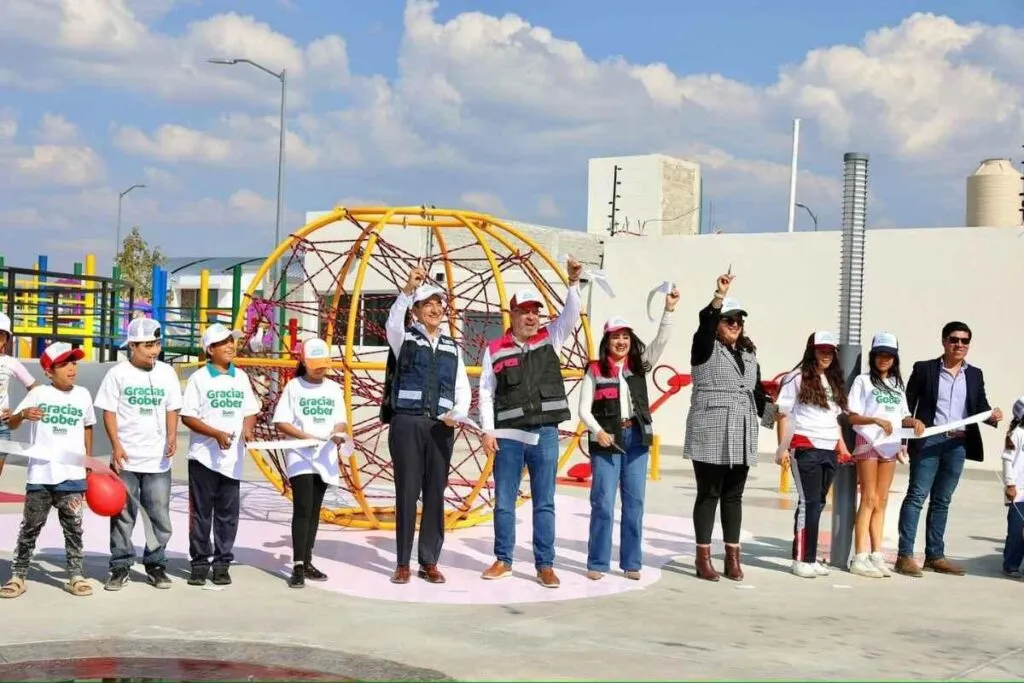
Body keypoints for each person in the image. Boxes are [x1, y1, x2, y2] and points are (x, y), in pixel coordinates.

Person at [478, 258, 583, 588]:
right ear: (512, 314)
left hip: (545, 433)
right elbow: (485, 392)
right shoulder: (494, 349)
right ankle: (503, 559)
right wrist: (486, 430)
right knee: (505, 500)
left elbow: (572, 316)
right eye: (525, 311)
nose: (531, 316)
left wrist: (573, 284)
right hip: (509, 435)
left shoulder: (550, 338)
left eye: (535, 311)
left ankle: (545, 564)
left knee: (545, 500)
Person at [578, 286, 678, 581]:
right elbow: (584, 410)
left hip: (636, 439)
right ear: (606, 341)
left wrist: (668, 311)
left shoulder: (639, 366)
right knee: (604, 504)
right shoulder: (595, 370)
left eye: (625, 336)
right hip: (607, 442)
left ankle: (631, 562)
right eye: (615, 337)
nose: (621, 342)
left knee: (634, 505)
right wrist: (598, 432)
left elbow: (660, 342)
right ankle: (597, 562)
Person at [383, 266, 471, 585]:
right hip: (407, 422)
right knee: (407, 492)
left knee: (435, 493)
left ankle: (429, 561)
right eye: (428, 304)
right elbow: (392, 321)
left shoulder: (452, 347)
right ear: (417, 311)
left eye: (439, 304)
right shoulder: (403, 337)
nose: (435, 309)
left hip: (440, 427)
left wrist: (457, 414)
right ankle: (403, 562)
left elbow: (463, 389)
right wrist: (407, 290)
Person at [895, 321, 1002, 577]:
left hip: (958, 443)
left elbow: (979, 407)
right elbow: (907, 404)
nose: (959, 345)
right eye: (954, 339)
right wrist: (909, 423)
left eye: (964, 341)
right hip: (929, 439)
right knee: (917, 496)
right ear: (944, 341)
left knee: (942, 500)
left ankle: (935, 556)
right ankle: (905, 555)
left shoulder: (974, 374)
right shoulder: (925, 369)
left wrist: (992, 415)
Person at [682, 272, 767, 582]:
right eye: (728, 319)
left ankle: (733, 556)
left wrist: (780, 420)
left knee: (734, 495)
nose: (734, 324)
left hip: (742, 430)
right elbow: (705, 324)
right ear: (718, 323)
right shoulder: (704, 346)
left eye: (738, 320)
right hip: (711, 427)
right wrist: (718, 296)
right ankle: (702, 557)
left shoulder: (749, 355)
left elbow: (758, 394)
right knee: (709, 493)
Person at [0, 342, 94, 599]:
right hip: (41, 476)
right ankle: (18, 576)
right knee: (30, 527)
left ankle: (75, 575)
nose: (71, 368)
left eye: (73, 362)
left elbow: (88, 427)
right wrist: (24, 414)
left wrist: (87, 461)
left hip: (72, 477)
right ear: (49, 372)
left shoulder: (83, 394)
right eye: (64, 364)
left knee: (74, 528)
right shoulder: (39, 393)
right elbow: (14, 422)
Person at [95, 318, 183, 591]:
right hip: (127, 458)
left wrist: (171, 435)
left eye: (157, 344)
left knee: (159, 514)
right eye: (147, 345)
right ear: (132, 346)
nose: (154, 350)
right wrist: (116, 444)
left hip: (158, 460)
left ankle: (156, 564)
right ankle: (120, 565)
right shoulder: (118, 373)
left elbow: (173, 407)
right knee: (123, 513)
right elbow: (108, 411)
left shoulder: (167, 372)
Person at [180, 323, 260, 587]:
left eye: (232, 341)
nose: (230, 346)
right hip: (203, 458)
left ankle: (222, 563)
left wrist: (248, 430)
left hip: (232, 460)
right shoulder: (199, 379)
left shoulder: (241, 378)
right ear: (210, 349)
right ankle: (200, 563)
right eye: (224, 342)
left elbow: (250, 411)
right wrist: (214, 433)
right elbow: (188, 416)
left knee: (228, 514)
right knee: (201, 514)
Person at [845, 332, 924, 578]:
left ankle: (876, 553)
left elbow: (903, 416)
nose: (884, 359)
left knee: (882, 500)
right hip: (869, 441)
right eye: (880, 354)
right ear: (873, 356)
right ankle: (859, 555)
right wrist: (875, 420)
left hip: (890, 446)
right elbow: (852, 416)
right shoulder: (862, 381)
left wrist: (913, 422)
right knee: (867, 498)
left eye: (889, 355)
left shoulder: (897, 385)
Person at [272, 337, 348, 589]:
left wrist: (337, 434)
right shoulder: (294, 387)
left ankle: (308, 558)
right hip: (300, 455)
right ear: (303, 362)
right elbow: (281, 421)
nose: (319, 369)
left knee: (315, 510)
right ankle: (297, 565)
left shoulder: (333, 389)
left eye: (323, 365)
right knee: (303, 508)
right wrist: (306, 438)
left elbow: (341, 420)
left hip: (325, 456)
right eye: (315, 364)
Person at [775, 331, 852, 579]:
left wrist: (841, 445)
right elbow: (783, 413)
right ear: (811, 351)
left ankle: (809, 556)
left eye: (830, 351)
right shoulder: (795, 377)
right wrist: (782, 448)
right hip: (804, 443)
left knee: (818, 503)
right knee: (808, 502)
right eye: (821, 350)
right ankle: (801, 558)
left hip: (829, 447)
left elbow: (835, 418)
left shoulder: (833, 380)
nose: (826, 355)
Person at [0, 311, 38, 480]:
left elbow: (36, 389)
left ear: (6, 340)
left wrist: (18, 413)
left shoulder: (11, 363)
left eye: (1, 335)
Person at [1000, 397, 1024, 577]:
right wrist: (1010, 484)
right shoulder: (1017, 433)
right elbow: (1007, 460)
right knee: (1016, 529)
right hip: (1019, 491)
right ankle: (1011, 564)